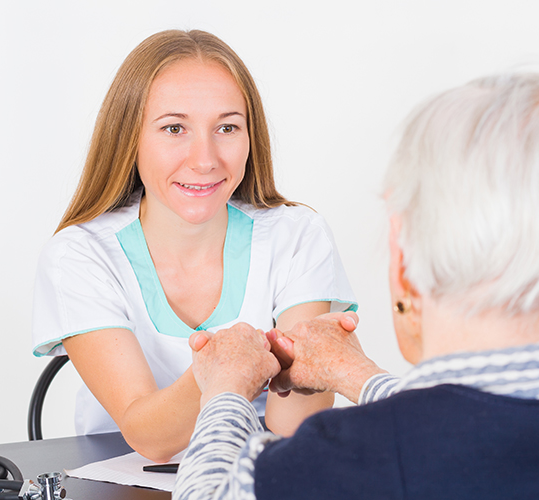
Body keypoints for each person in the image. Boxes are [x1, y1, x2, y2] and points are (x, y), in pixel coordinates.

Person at [174, 73, 539, 499]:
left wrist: (227, 389)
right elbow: (492, 427)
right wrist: (353, 373)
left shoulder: (358, 456)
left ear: (404, 264)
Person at [31, 30, 356, 462]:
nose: (204, 159)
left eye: (227, 127)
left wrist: (319, 366)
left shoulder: (298, 235)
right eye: (173, 128)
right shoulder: (80, 255)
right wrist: (225, 370)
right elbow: (150, 438)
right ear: (129, 137)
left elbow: (293, 426)